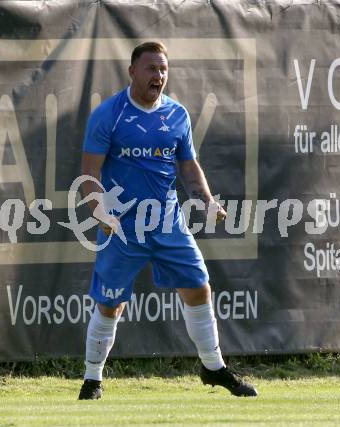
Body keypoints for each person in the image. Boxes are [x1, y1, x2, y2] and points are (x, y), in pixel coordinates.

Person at [78, 41, 257, 400]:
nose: (158, 76)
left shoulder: (177, 116)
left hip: (167, 222)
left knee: (198, 286)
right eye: (150, 69)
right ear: (132, 72)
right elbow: (89, 175)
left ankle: (213, 367)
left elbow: (189, 167)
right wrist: (99, 211)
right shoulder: (108, 115)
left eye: (163, 69)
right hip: (122, 226)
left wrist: (206, 201)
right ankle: (92, 379)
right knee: (111, 303)